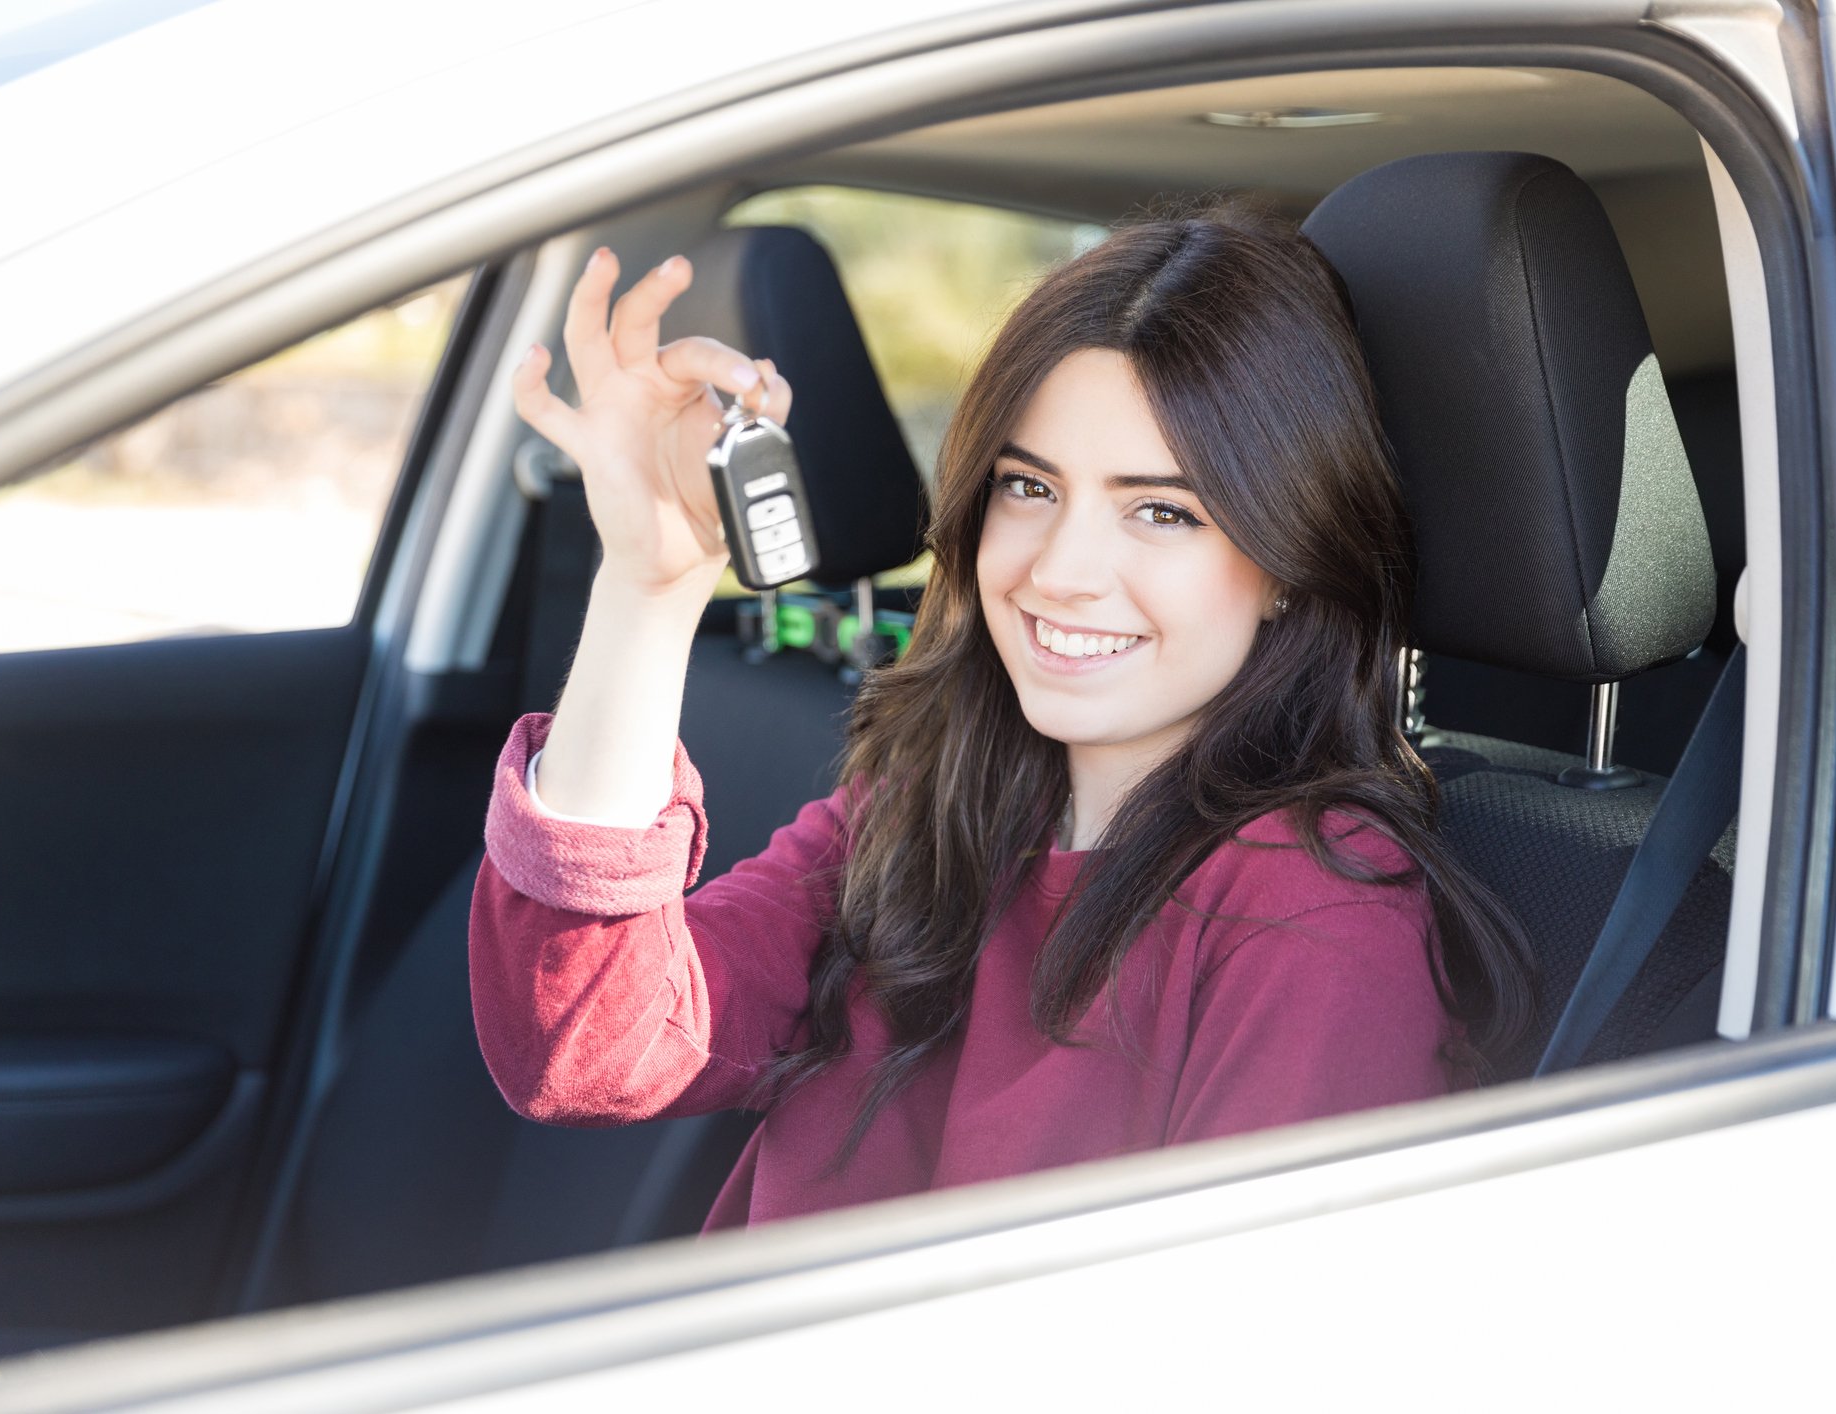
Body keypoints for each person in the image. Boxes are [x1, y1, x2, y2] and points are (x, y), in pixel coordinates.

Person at [468, 197, 1534, 1232]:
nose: (1062, 571)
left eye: (1162, 510)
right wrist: (649, 590)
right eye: (1029, 488)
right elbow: (585, 1045)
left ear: (1290, 561)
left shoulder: (1315, 923)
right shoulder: (926, 807)